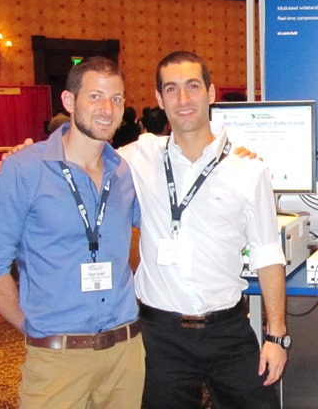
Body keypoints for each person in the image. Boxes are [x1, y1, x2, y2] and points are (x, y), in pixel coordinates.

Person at [117, 50, 288, 409]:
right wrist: (27, 154)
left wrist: (276, 336)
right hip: (160, 337)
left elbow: (268, 254)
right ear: (159, 98)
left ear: (210, 93)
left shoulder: (248, 169)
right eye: (172, 89)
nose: (183, 99)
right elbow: (82, 159)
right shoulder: (138, 156)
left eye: (193, 86)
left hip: (228, 331)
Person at [0, 56, 144, 408]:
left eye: (116, 99)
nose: (107, 109)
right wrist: (31, 327)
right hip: (57, 359)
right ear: (69, 101)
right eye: (95, 96)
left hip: (126, 355)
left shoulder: (124, 172)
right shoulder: (24, 169)